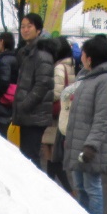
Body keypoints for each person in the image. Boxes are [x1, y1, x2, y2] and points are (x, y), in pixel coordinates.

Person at [63, 35, 107, 214]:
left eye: (83, 54)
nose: (80, 57)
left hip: (90, 145)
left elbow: (102, 117)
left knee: (92, 188)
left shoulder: (106, 80)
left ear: (90, 58)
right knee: (81, 187)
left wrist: (91, 145)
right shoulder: (88, 78)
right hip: (80, 141)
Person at [10, 12, 56, 166]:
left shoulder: (42, 54)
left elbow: (43, 84)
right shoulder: (27, 51)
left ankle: (34, 189)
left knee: (31, 157)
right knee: (26, 156)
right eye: (23, 26)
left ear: (38, 30)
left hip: (35, 114)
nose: (25, 30)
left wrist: (24, 105)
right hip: (28, 114)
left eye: (29, 26)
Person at [48, 37, 76, 190]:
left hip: (56, 114)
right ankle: (54, 186)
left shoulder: (59, 67)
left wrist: (45, 97)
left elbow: (57, 92)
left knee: (52, 154)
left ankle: (66, 190)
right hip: (65, 112)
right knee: (54, 154)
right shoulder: (71, 64)